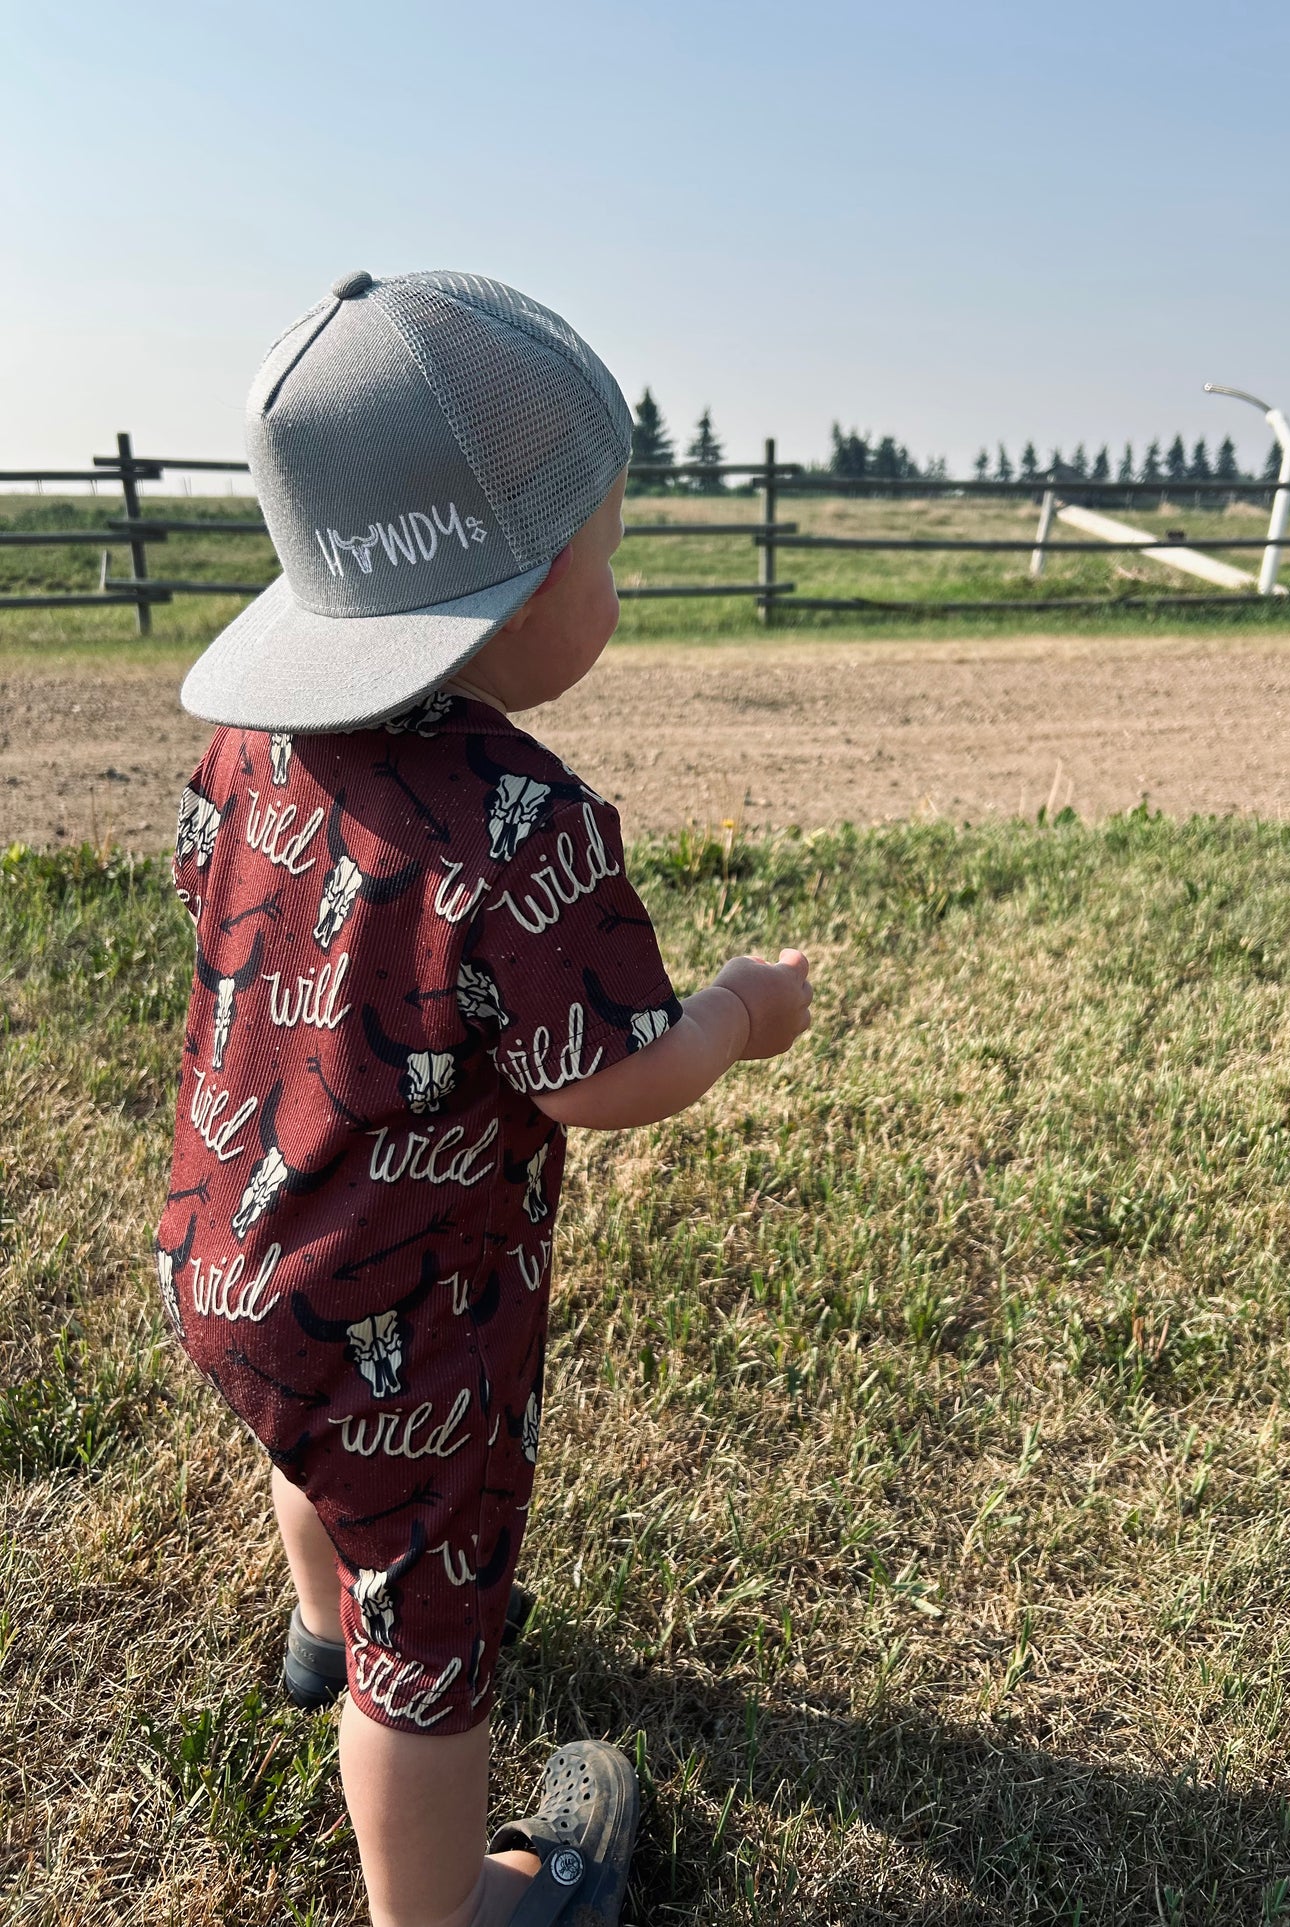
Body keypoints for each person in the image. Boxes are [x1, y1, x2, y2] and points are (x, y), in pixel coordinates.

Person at [156, 269, 813, 1927]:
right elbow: (601, 1079)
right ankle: (444, 1901)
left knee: (310, 1455)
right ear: (518, 596)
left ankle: (323, 1634)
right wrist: (732, 1014)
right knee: (432, 1655)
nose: (614, 579)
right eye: (604, 545)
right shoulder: (524, 822)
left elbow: (207, 905)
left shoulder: (246, 749)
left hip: (232, 1255)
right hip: (412, 1315)